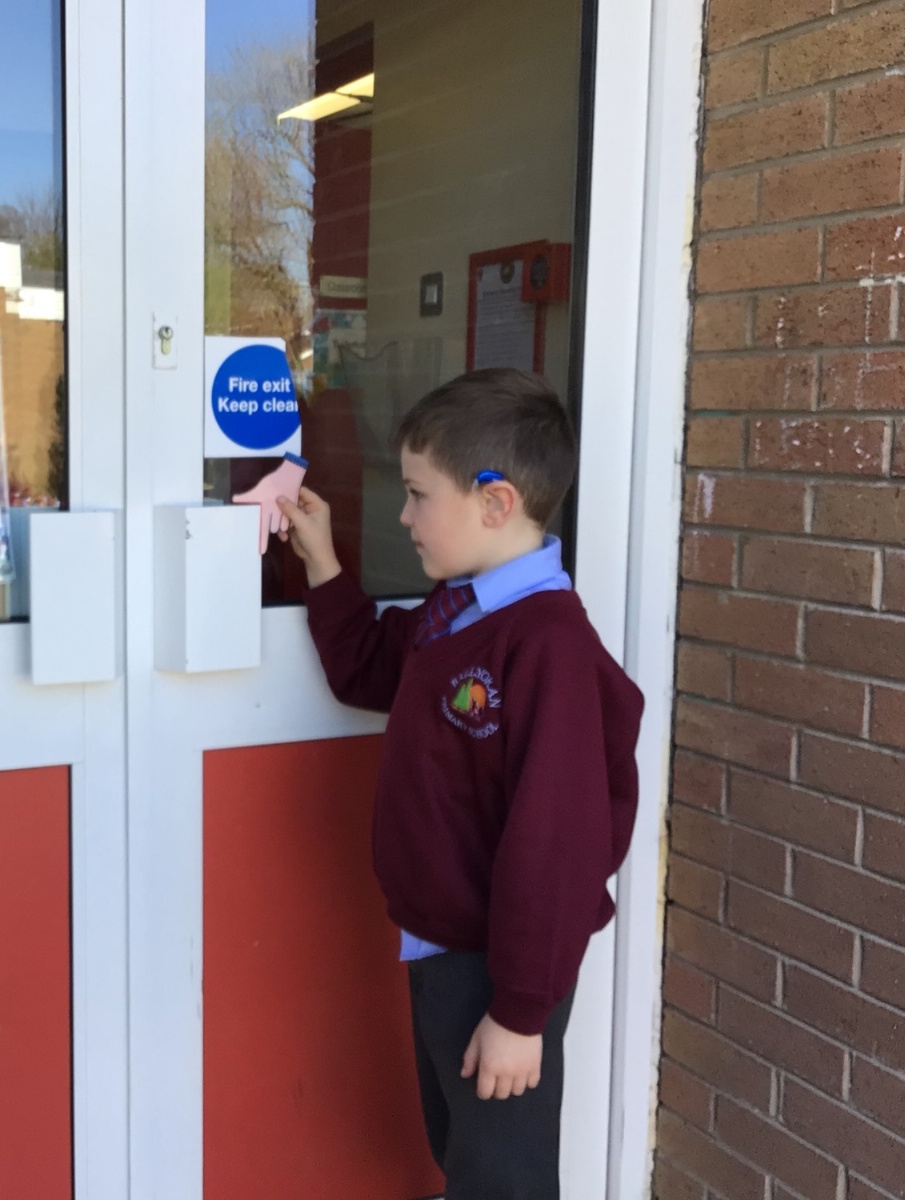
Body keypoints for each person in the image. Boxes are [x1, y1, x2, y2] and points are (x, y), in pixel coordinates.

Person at [272, 368, 644, 1200]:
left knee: (502, 1177)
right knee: (464, 1156)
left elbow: (556, 847)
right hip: (442, 954)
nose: (403, 516)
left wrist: (518, 1013)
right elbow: (370, 668)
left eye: (417, 495)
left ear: (495, 502)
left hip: (501, 969)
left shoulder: (548, 646)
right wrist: (322, 560)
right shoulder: (458, 614)